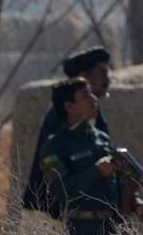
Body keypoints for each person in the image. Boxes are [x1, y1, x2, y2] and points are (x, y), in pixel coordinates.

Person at [38, 77, 143, 235]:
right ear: (69, 106)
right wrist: (96, 171)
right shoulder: (55, 147)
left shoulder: (101, 138)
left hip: (116, 228)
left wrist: (137, 206)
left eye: (92, 93)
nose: (94, 99)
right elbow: (62, 191)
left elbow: (117, 183)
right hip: (82, 234)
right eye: (85, 96)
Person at [22, 46, 112, 217]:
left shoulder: (92, 115)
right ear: (83, 77)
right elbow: (57, 180)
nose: (108, 81)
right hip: (48, 216)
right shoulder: (62, 116)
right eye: (102, 74)